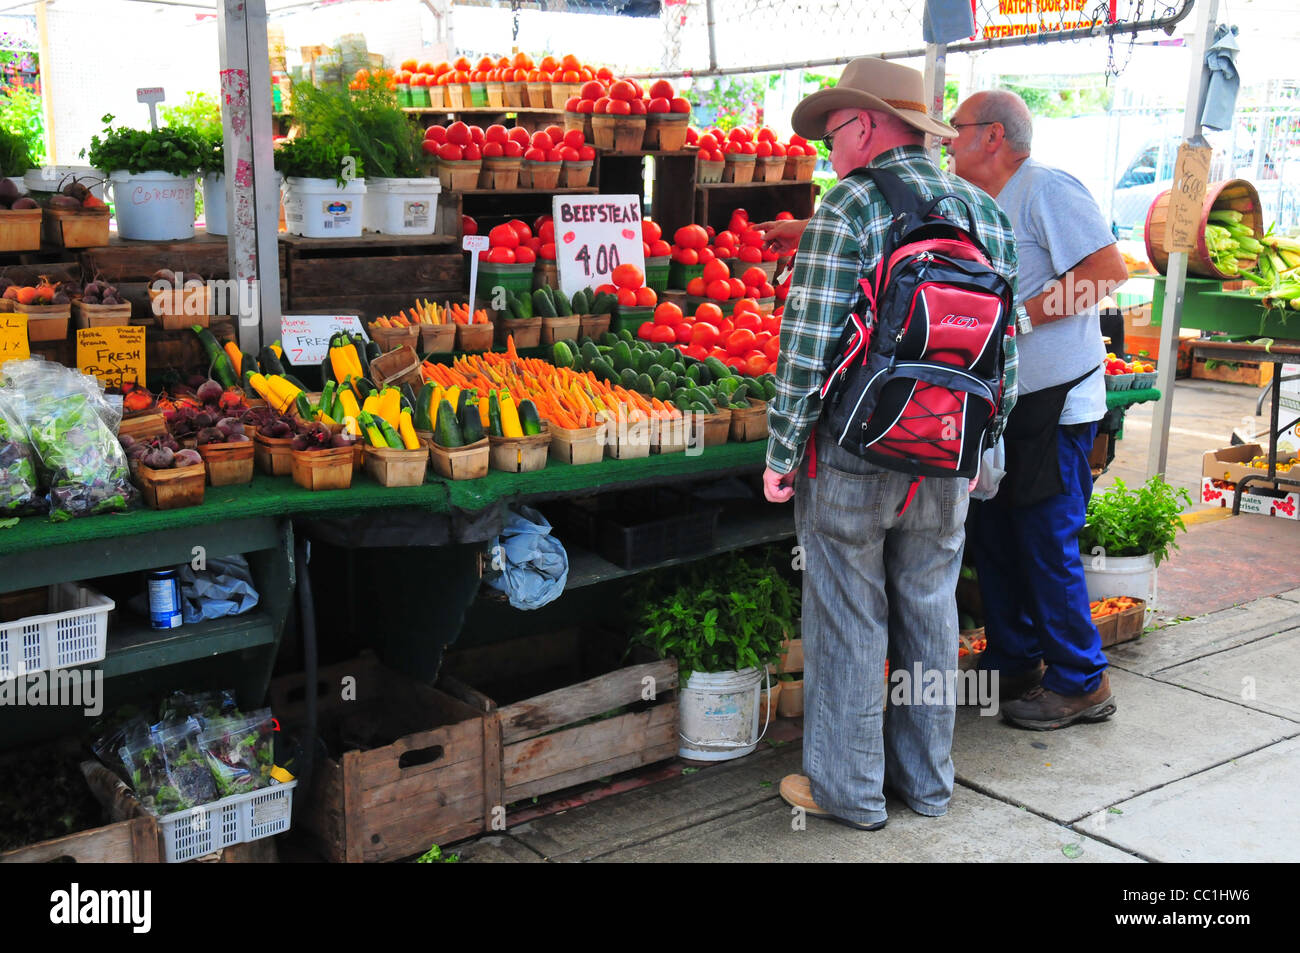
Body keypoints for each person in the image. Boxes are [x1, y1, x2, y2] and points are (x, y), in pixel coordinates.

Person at [758, 58, 1021, 830]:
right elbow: (1006, 348)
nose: (828, 152)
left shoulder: (848, 206)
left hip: (854, 450)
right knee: (931, 613)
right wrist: (987, 447)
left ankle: (849, 792)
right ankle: (928, 784)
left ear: (867, 124)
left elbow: (806, 349)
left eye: (833, 134)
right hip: (945, 453)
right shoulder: (984, 210)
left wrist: (781, 454)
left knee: (847, 615)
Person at [941, 90, 1128, 730]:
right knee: (994, 536)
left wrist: (1018, 317)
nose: (947, 140)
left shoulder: (1046, 188)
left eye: (956, 128)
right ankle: (1014, 660)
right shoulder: (973, 199)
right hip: (1001, 402)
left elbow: (1106, 270)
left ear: (993, 136)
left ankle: (1082, 681)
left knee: (1047, 542)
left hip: (1057, 405)